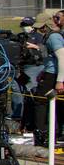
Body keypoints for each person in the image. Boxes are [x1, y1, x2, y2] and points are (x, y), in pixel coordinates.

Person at [33, 11, 64, 147]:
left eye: (41, 27)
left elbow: (62, 58)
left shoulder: (54, 37)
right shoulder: (49, 37)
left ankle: (44, 133)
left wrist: (60, 81)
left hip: (54, 75)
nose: (39, 30)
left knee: (41, 102)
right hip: (49, 73)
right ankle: (48, 132)